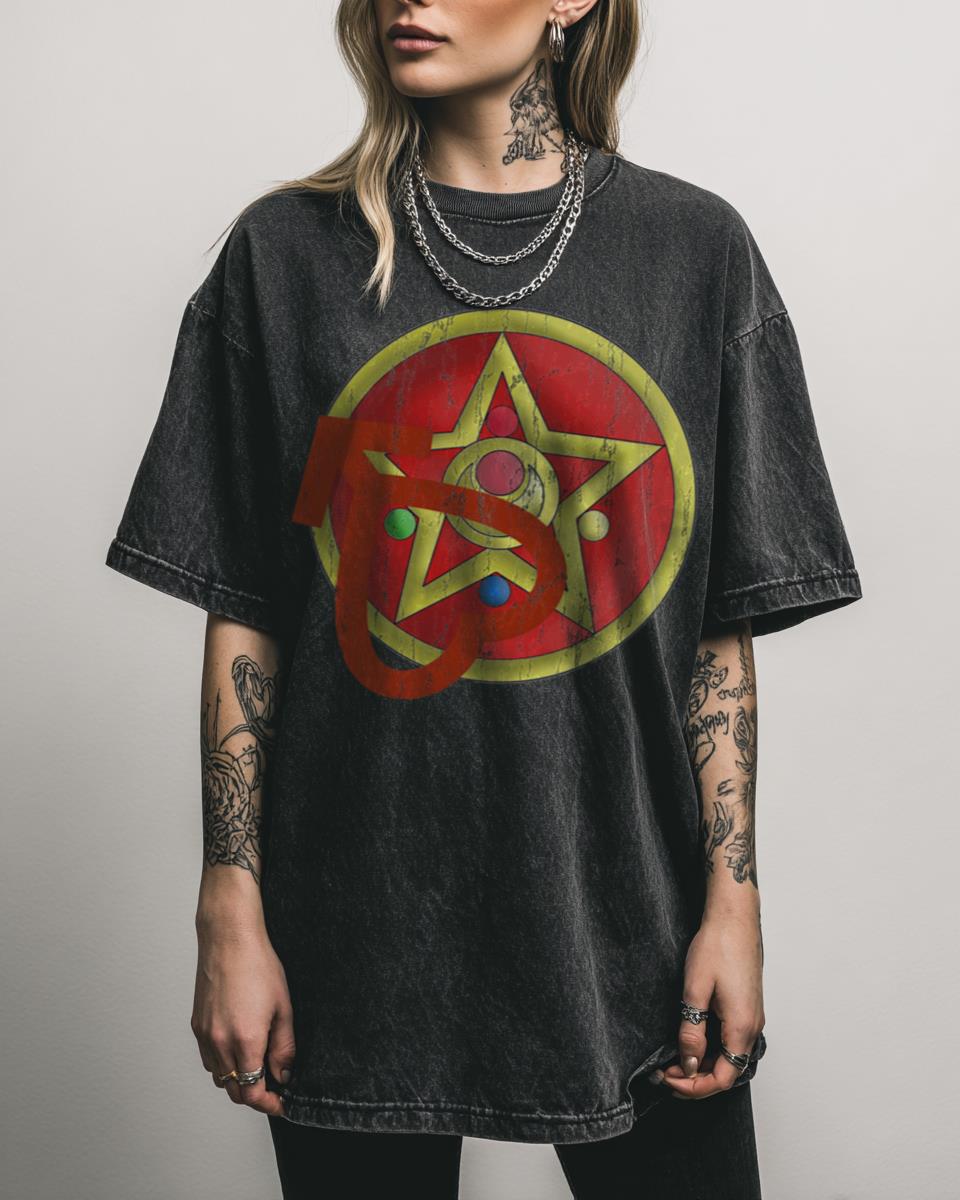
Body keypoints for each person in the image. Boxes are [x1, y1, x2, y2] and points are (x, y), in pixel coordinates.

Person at [104, 0, 863, 1196]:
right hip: (351, 929)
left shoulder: (693, 253)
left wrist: (734, 902)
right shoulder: (284, 256)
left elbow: (715, 634)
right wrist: (229, 905)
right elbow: (248, 609)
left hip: (631, 923)